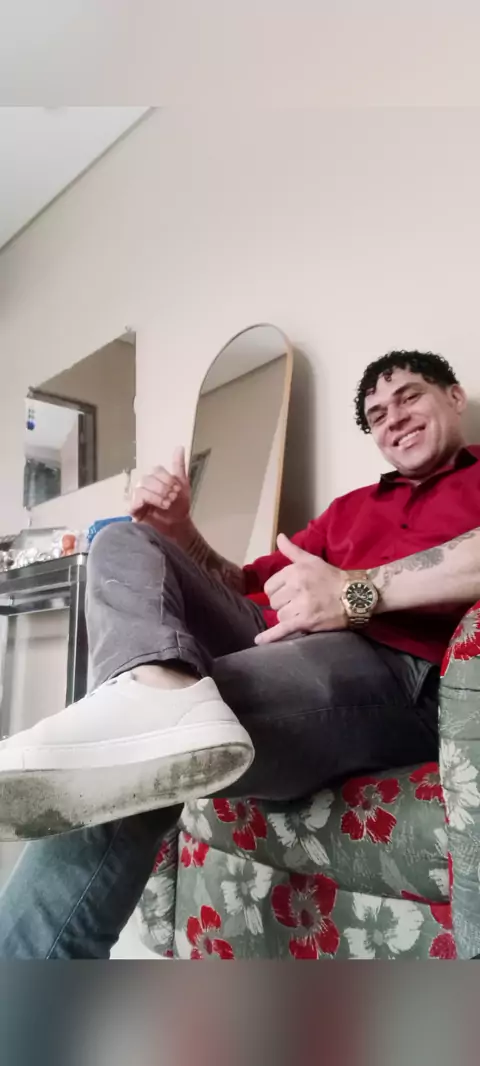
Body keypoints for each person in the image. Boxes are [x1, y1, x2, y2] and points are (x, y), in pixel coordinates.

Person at [1, 348, 480, 958]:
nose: (394, 419)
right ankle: (150, 688)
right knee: (123, 539)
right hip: (286, 642)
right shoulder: (349, 510)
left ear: (454, 397)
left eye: (409, 397)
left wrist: (354, 592)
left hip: (400, 674)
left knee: (126, 754)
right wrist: (181, 531)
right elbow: (244, 584)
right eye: (378, 414)